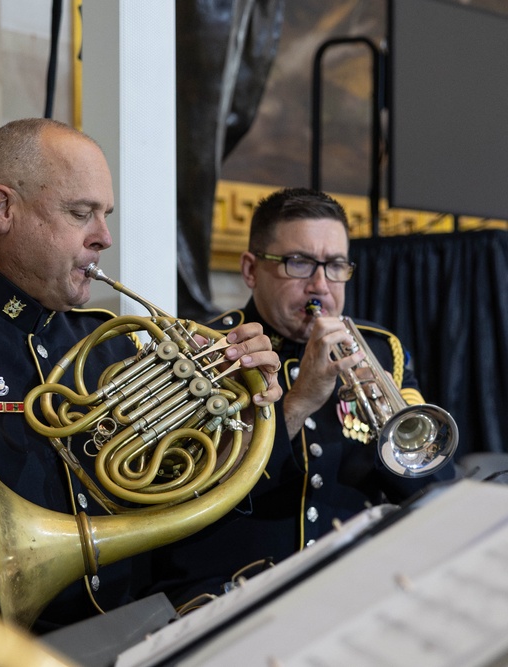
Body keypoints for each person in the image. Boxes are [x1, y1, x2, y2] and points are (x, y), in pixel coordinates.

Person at [0, 117, 282, 665]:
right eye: (80, 213)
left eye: (105, 216)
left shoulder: (112, 343)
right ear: (1, 209)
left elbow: (187, 495)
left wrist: (242, 413)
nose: (103, 236)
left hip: (135, 638)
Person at [150, 187, 457, 611]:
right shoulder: (206, 350)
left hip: (358, 591)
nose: (320, 285)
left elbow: (435, 491)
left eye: (335, 266)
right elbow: (188, 497)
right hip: (236, 597)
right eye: (299, 263)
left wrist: (394, 428)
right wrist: (297, 403)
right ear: (251, 270)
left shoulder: (381, 348)